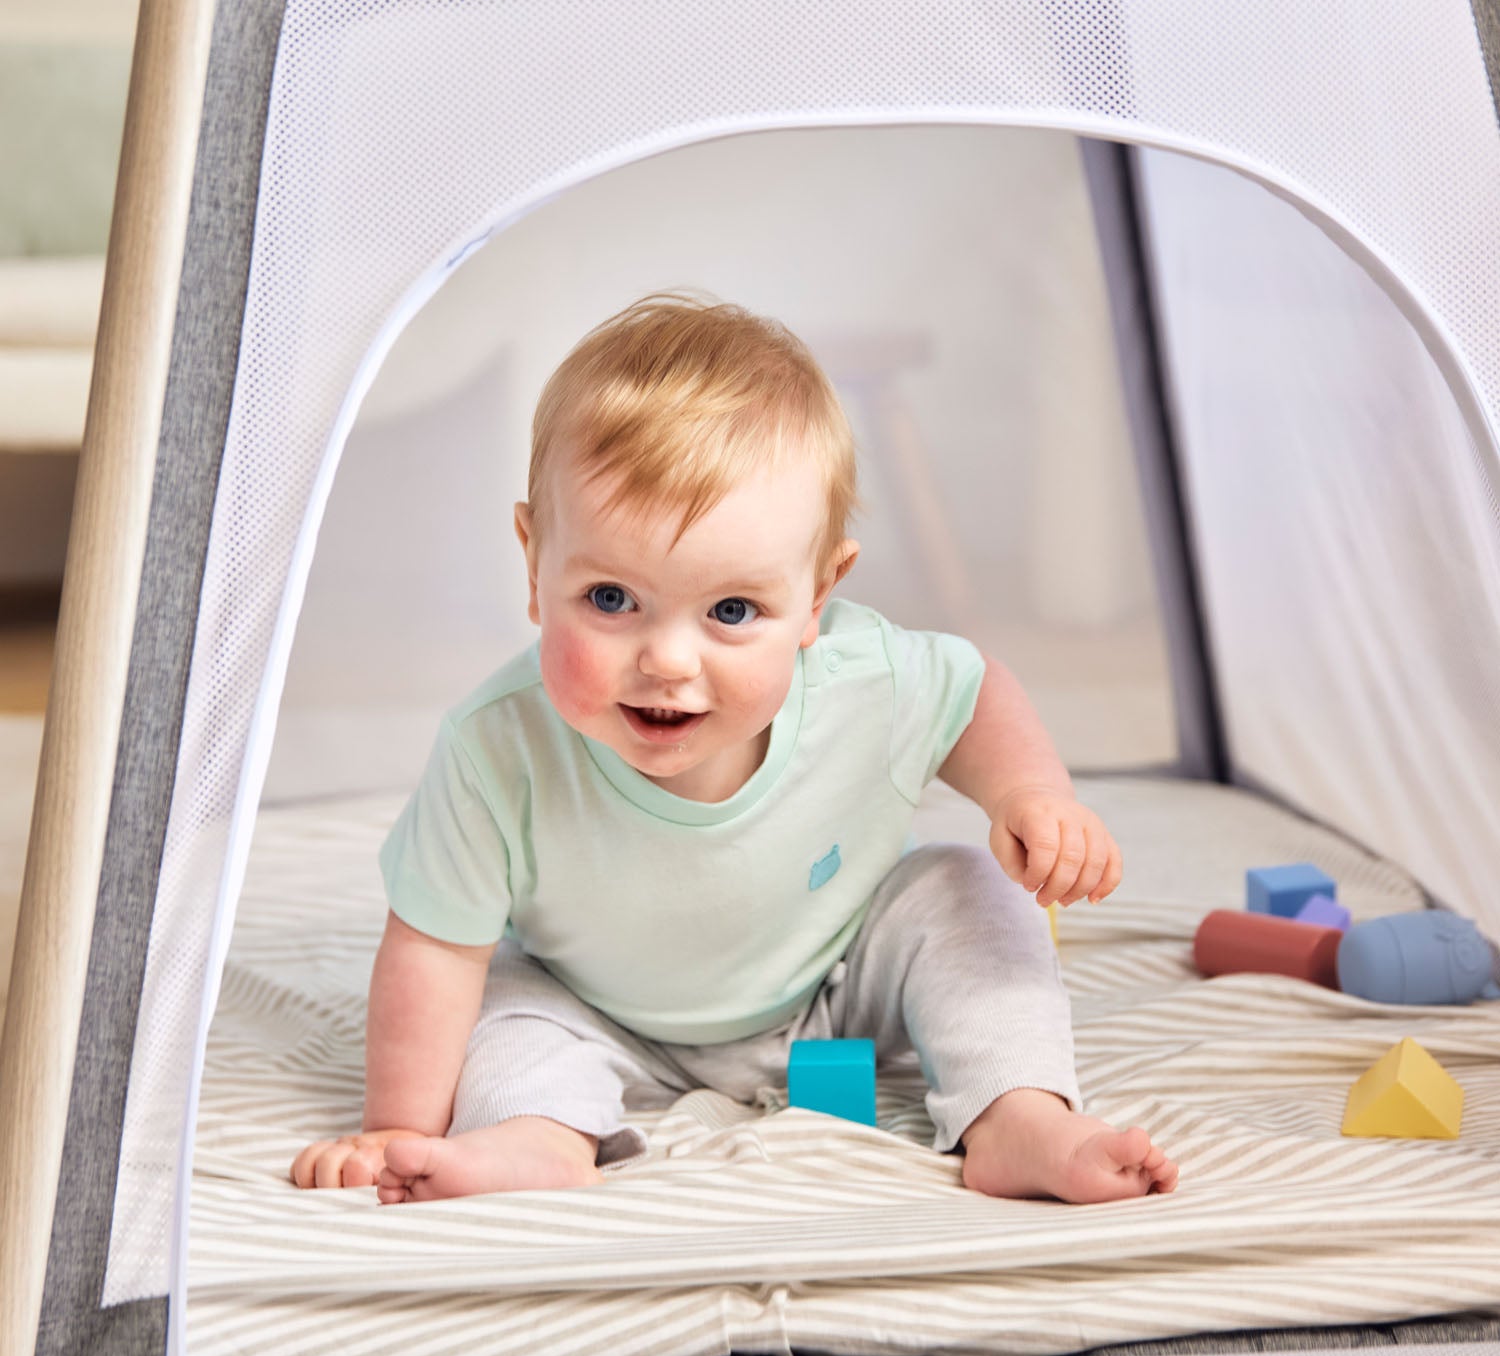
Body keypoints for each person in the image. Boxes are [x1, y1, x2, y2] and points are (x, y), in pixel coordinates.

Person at [292, 294, 1179, 1206]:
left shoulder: (862, 680)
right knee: (499, 1000)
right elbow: (433, 948)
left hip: (836, 982)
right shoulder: (496, 748)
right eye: (609, 599)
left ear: (817, 597)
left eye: (730, 612)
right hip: (592, 1005)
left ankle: (1019, 1113)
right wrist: (397, 1125)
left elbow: (971, 693)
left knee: (967, 888)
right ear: (533, 564)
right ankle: (535, 1141)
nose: (667, 661)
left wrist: (1031, 795)